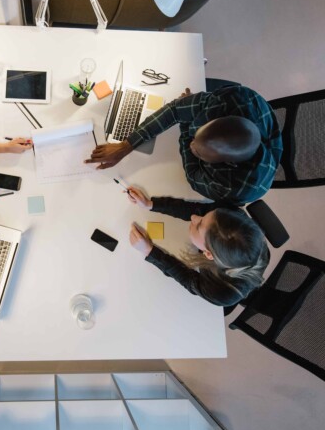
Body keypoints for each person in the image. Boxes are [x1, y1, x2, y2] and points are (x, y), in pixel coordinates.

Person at [86, 85, 283, 205]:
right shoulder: (234, 99)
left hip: (246, 181)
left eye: (198, 152)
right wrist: (125, 146)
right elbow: (174, 110)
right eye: (197, 136)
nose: (192, 147)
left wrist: (186, 128)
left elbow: (193, 176)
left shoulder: (232, 186)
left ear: (226, 163)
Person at [125, 186, 270, 307]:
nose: (194, 217)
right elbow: (199, 210)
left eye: (199, 225)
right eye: (205, 218)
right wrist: (150, 204)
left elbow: (188, 279)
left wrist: (149, 252)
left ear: (208, 254)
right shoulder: (231, 216)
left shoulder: (221, 292)